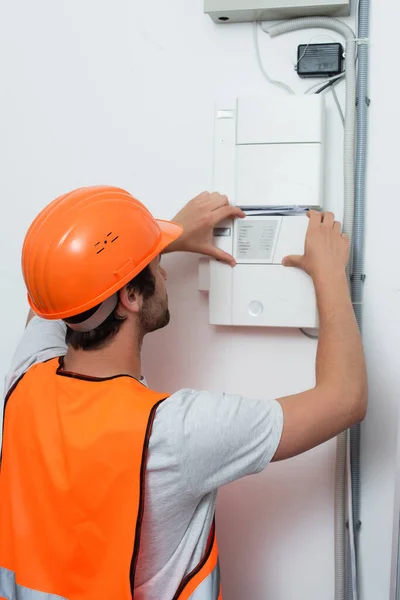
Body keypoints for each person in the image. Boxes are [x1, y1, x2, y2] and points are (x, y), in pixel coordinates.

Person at [0, 186, 367, 600]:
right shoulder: (175, 432)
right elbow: (345, 397)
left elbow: (54, 294)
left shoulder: (24, 381)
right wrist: (331, 273)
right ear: (132, 296)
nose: (165, 270)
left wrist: (167, 235)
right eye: (156, 262)